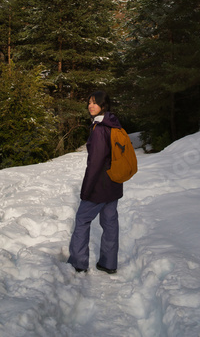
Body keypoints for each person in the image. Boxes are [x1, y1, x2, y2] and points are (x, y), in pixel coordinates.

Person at [68, 90, 123, 274]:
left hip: (99, 185)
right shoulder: (113, 124)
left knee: (82, 219)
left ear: (103, 105)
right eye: (89, 102)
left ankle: (78, 262)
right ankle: (109, 263)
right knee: (109, 223)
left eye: (95, 103)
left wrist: (86, 190)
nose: (91, 106)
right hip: (113, 184)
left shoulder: (100, 130)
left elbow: (95, 164)